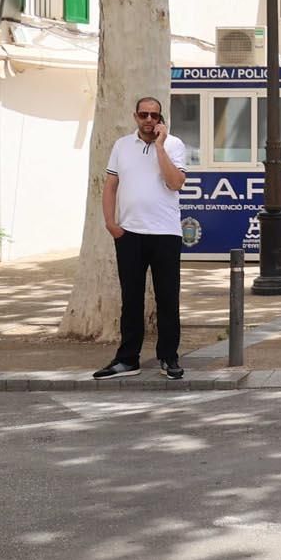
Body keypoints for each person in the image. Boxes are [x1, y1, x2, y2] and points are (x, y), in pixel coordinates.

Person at [94, 96, 189, 380]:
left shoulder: (174, 145)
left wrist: (160, 147)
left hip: (166, 234)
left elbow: (175, 183)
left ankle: (168, 358)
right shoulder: (122, 146)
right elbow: (111, 185)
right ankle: (127, 359)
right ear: (135, 116)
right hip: (130, 233)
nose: (149, 120)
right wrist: (111, 223)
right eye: (144, 115)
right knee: (131, 299)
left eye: (154, 115)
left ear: (161, 118)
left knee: (168, 300)